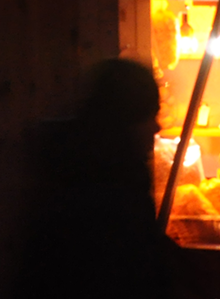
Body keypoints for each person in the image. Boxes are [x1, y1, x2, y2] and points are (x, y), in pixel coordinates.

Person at [16, 58, 172, 299]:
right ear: (125, 120)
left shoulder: (71, 166)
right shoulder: (113, 190)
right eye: (148, 115)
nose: (156, 127)